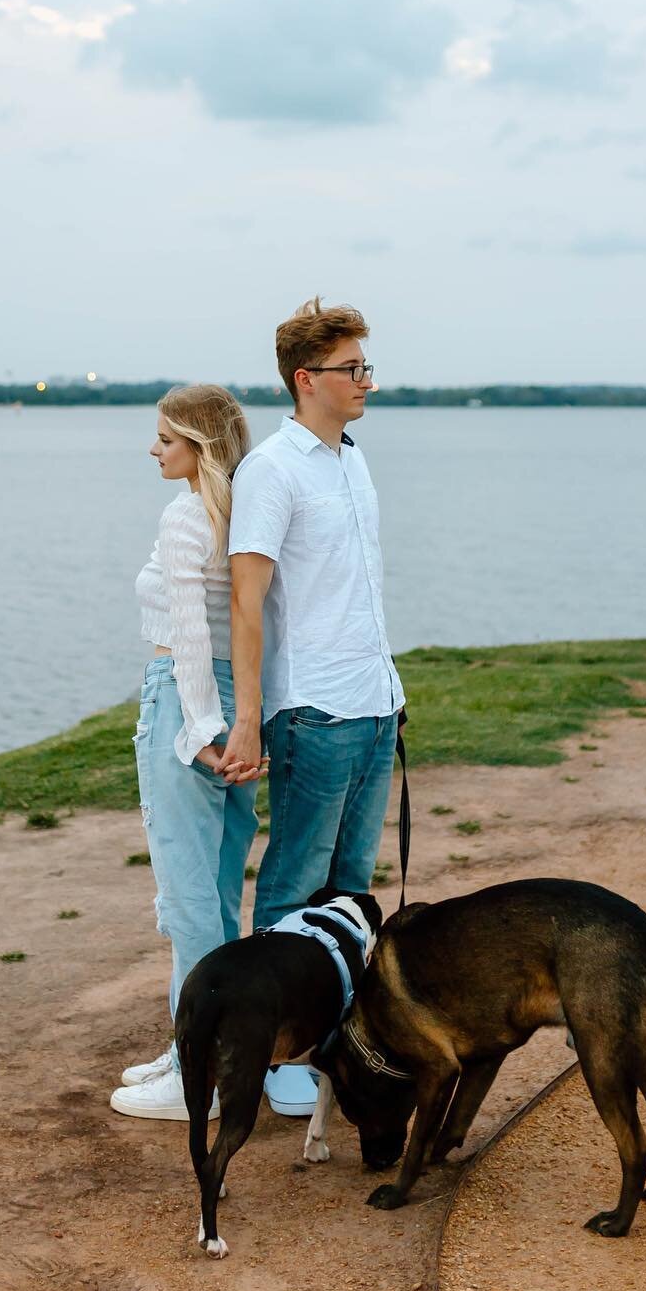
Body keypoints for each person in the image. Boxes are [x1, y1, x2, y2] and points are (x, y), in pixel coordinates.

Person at [219, 298, 405, 1116]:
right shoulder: (273, 471)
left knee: (351, 894)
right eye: (352, 368)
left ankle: (338, 1039)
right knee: (294, 890)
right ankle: (272, 1049)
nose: (367, 379)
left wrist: (393, 693)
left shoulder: (352, 459)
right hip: (316, 712)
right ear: (307, 379)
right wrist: (251, 717)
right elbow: (247, 603)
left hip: (375, 705)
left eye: (366, 365)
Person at [110, 383, 261, 1120]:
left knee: (189, 900)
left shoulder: (183, 515)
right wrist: (243, 722)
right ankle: (204, 1052)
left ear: (196, 447)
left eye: (166, 439)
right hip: (238, 701)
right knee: (220, 890)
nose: (153, 449)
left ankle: (195, 1076)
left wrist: (197, 730)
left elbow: (191, 637)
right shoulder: (242, 511)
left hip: (189, 697)